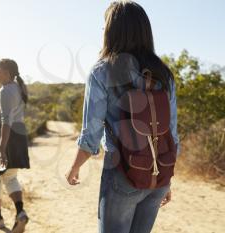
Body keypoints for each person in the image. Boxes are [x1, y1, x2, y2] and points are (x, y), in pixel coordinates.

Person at [66, 1, 180, 233]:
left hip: (122, 173)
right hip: (157, 174)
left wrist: (74, 167)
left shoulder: (102, 70)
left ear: (112, 30)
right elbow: (171, 131)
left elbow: (92, 133)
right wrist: (165, 178)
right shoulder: (163, 73)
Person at [0, 58, 30, 233]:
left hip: (1, 136)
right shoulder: (18, 88)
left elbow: (5, 121)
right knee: (10, 178)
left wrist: (1, 148)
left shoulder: (6, 91)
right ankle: (20, 212)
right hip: (18, 136)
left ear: (6, 72)